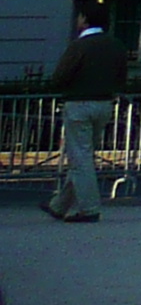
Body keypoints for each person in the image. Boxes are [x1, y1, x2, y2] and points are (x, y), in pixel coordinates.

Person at [43, 15, 128, 222]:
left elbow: (61, 76)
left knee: (80, 158)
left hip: (79, 104)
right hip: (104, 103)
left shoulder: (79, 46)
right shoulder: (116, 45)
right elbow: (122, 76)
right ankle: (59, 205)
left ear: (85, 22)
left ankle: (89, 208)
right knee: (85, 155)